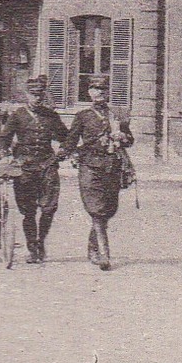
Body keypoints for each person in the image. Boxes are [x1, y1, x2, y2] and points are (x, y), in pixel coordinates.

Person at [60, 75, 134, 271]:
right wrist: (61, 155)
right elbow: (70, 142)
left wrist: (123, 136)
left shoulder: (117, 115)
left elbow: (130, 140)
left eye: (102, 89)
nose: (99, 92)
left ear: (108, 92)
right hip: (90, 167)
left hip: (112, 166)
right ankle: (104, 254)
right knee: (97, 209)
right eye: (94, 89)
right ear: (89, 92)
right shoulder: (82, 116)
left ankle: (93, 246)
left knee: (109, 209)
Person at [0, 75, 68, 264]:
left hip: (47, 164)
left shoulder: (51, 116)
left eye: (40, 95)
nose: (37, 98)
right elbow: (3, 138)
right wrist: (6, 154)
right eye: (33, 94)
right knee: (28, 211)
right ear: (27, 95)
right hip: (24, 167)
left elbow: (65, 137)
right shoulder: (18, 115)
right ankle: (32, 247)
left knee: (49, 208)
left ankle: (40, 241)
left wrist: (64, 149)